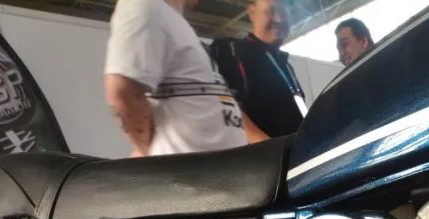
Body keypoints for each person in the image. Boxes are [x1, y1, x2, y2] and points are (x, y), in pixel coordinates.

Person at [104, 0, 245, 157]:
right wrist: (148, 154)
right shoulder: (145, 4)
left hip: (215, 168)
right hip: (184, 170)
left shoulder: (173, 21)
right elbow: (123, 90)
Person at [209, 0, 306, 143]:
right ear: (252, 12)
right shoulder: (229, 51)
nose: (279, 18)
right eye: (271, 10)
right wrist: (272, 149)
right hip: (264, 155)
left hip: (302, 152)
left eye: (285, 11)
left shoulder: (286, 65)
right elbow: (220, 105)